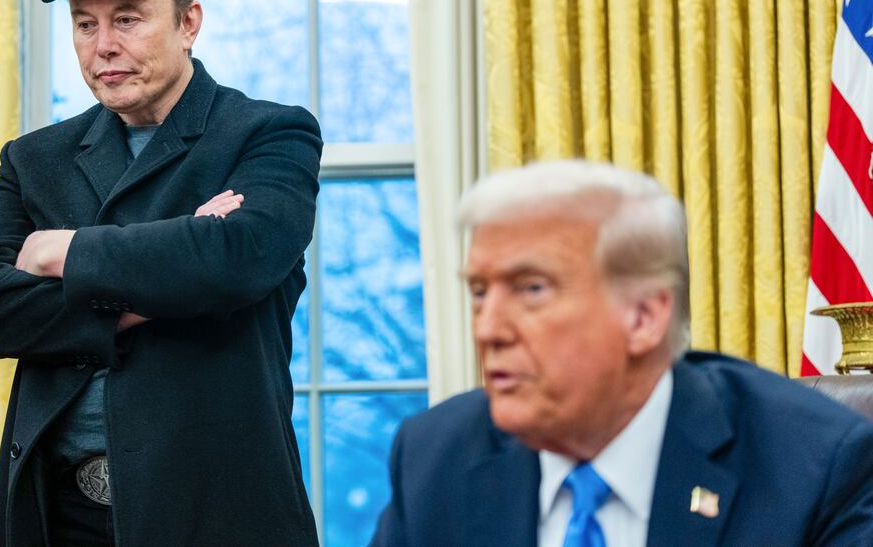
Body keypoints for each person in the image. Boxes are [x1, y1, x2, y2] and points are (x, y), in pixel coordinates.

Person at [0, 0, 320, 546]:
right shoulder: (36, 158)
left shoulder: (269, 133)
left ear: (189, 22)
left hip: (216, 510)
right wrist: (166, 280)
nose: (103, 46)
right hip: (55, 513)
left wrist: (56, 252)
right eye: (85, 24)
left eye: (127, 19)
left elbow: (240, 257)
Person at [370, 159, 873, 547]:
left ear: (645, 316)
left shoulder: (811, 465)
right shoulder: (437, 457)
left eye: (532, 289)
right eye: (480, 291)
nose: (488, 327)